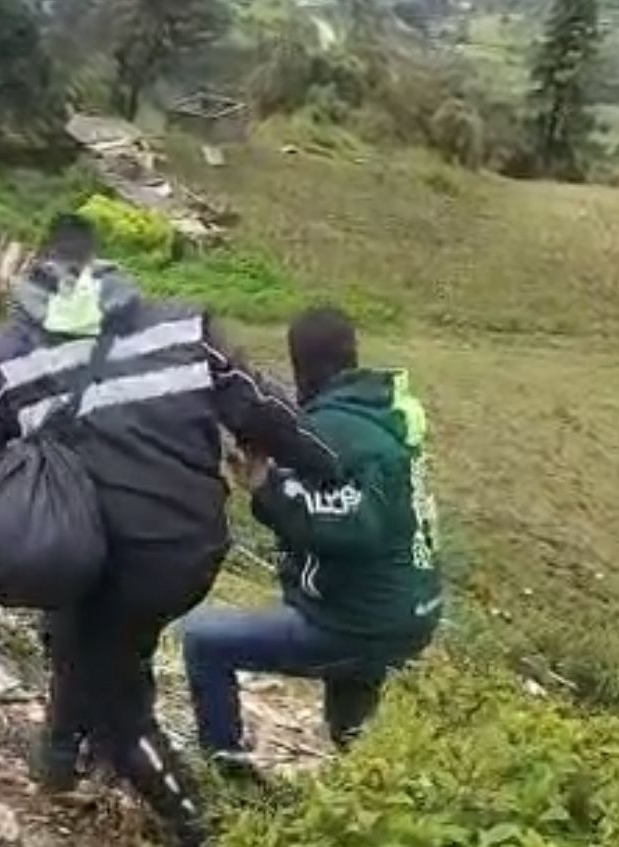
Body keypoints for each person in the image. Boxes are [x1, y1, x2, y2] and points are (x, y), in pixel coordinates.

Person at [0, 213, 338, 847]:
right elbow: (264, 409)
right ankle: (59, 760)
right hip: (193, 548)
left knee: (118, 702)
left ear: (35, 277)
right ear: (106, 270)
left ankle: (200, 836)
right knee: (81, 640)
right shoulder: (184, 328)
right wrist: (328, 463)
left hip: (107, 566)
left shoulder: (11, 357)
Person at [183, 307, 443, 768]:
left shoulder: (334, 432)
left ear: (301, 366)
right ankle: (363, 772)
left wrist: (266, 488)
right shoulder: (379, 415)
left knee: (204, 638)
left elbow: (353, 527)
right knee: (350, 729)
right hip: (407, 611)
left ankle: (226, 770)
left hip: (357, 624)